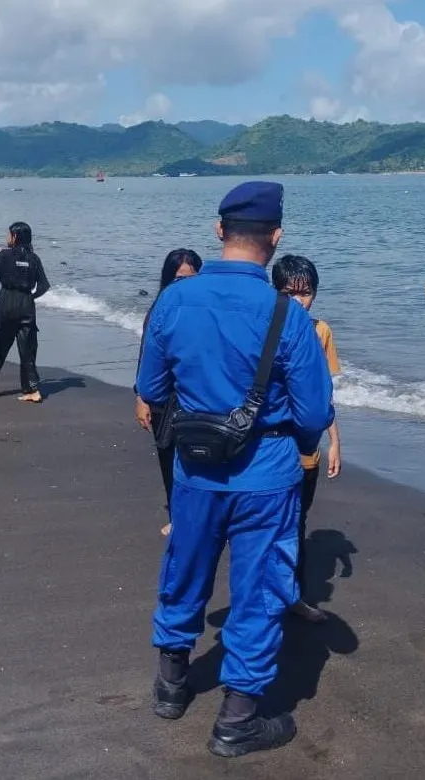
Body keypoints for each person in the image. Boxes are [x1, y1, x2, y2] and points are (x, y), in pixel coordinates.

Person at [135, 182, 334, 758]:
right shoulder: (286, 315)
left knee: (185, 570)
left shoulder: (175, 300)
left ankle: (172, 686)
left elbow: (151, 388)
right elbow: (314, 413)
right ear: (276, 236)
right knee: (260, 591)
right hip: (267, 474)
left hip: (196, 470)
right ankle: (237, 720)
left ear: (220, 231)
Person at [271, 254, 341, 624]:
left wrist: (335, 442)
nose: (300, 301)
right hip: (270, 448)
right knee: (268, 526)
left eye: (306, 293)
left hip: (306, 452)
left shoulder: (321, 331)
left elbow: (323, 396)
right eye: (289, 293)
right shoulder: (263, 327)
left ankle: (292, 597)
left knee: (297, 524)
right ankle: (270, 597)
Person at [135, 248, 203, 537]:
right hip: (163, 397)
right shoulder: (160, 310)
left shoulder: (207, 312)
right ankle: (178, 516)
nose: (184, 284)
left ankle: (203, 518)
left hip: (197, 398)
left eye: (190, 278)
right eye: (178, 279)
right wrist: (141, 397)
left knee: (200, 459)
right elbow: (147, 355)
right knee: (168, 456)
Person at [0, 222, 50, 403]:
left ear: (15, 237)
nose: (7, 237)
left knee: (0, 347)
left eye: (9, 234)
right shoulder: (34, 258)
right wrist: (30, 297)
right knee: (27, 350)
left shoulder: (4, 255)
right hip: (26, 304)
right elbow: (44, 285)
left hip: (6, 302)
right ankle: (32, 390)